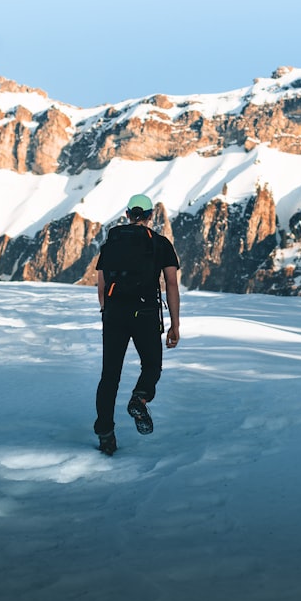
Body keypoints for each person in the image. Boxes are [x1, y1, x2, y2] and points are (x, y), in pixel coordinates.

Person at [94, 194, 180, 455]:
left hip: (115, 314)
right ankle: (139, 398)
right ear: (151, 215)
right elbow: (171, 285)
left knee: (110, 376)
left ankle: (106, 434)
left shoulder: (112, 243)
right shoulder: (161, 244)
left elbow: (101, 284)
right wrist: (175, 324)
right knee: (152, 365)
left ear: (128, 214)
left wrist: (106, 311)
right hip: (145, 313)